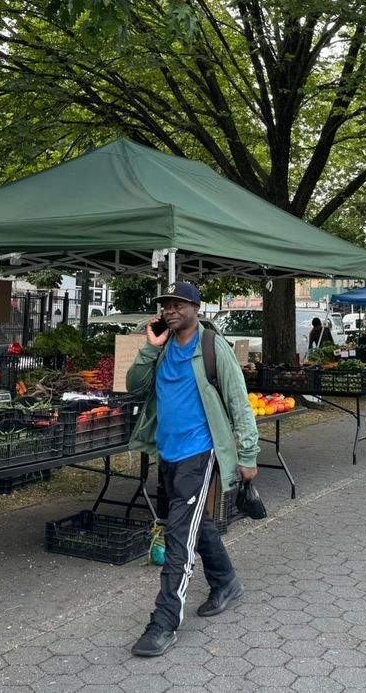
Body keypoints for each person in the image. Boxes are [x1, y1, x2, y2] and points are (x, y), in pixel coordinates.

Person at [126, 281, 259, 658]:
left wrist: (248, 456)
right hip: (167, 452)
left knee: (178, 538)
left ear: (196, 307)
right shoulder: (163, 347)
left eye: (179, 304)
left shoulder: (213, 347)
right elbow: (134, 387)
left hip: (199, 453)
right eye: (166, 304)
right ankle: (226, 583)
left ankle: (164, 623)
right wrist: (148, 350)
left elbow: (239, 402)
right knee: (195, 524)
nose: (171, 310)